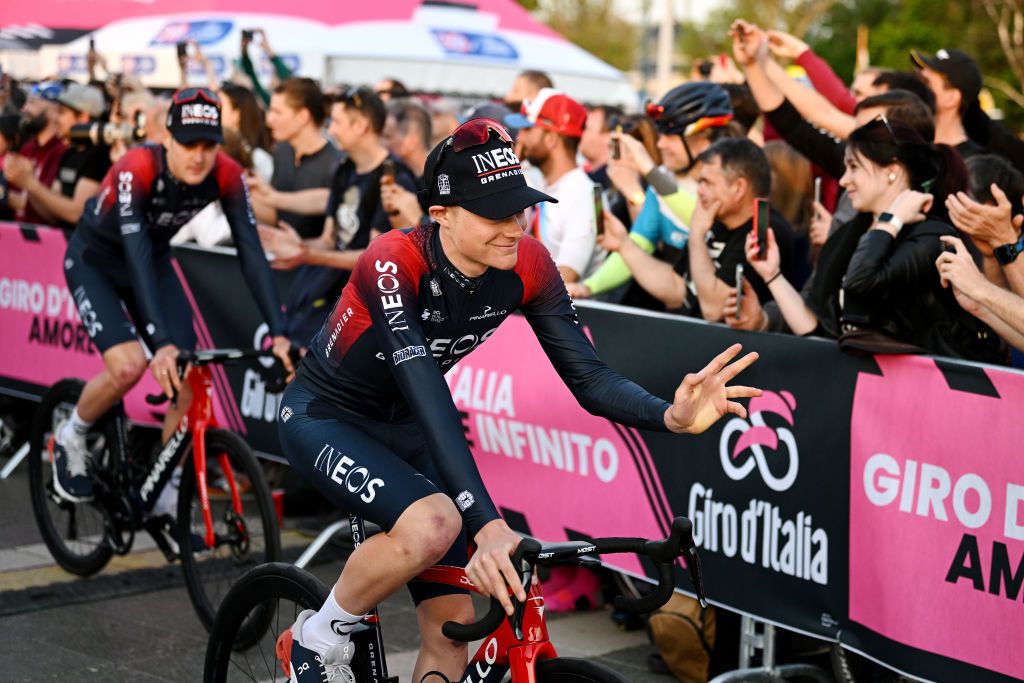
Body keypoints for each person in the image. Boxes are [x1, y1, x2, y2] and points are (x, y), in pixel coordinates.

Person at [273, 117, 762, 683]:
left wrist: (668, 414)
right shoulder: (394, 260)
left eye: (519, 209)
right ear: (441, 215)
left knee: (454, 635)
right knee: (436, 523)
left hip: (405, 426)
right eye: (494, 214)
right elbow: (431, 393)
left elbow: (590, 378)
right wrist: (484, 522)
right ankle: (316, 637)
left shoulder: (528, 261)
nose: (513, 227)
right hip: (326, 417)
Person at [53, 87, 293, 504]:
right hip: (99, 261)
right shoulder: (137, 167)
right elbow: (137, 252)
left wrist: (278, 332)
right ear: (167, 139)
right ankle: (71, 434)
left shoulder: (228, 173)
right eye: (187, 144)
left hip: (154, 261)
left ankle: (165, 495)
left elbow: (252, 254)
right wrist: (159, 341)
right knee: (129, 367)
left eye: (208, 145)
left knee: (188, 379)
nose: (198, 156)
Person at [259, 86, 418, 349]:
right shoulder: (344, 169)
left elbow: (373, 260)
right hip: (325, 297)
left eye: (338, 122)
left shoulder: (393, 179)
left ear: (361, 126)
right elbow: (330, 240)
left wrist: (308, 255)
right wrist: (297, 246)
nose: (331, 130)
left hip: (361, 312)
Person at [569, 82, 739, 303]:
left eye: (671, 136)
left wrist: (649, 172)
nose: (660, 144)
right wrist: (589, 286)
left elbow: (706, 219)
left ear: (703, 140)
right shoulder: (663, 179)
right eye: (660, 135)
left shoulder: (727, 185)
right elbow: (638, 243)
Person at [603, 137, 795, 321]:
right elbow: (678, 289)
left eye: (707, 183)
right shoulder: (715, 221)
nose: (700, 191)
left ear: (739, 188)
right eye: (699, 182)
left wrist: (696, 235)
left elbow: (714, 309)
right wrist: (624, 245)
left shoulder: (764, 232)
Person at [506, 88, 604, 282]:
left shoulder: (585, 194)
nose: (520, 138)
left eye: (528, 129)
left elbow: (567, 276)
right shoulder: (542, 181)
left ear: (551, 138)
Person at [2, 83, 109, 231]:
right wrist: (26, 182)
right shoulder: (70, 153)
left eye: (61, 112)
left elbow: (77, 214)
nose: (55, 118)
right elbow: (51, 213)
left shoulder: (100, 155)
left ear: (83, 117)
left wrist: (30, 183)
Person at [255, 77, 340, 239]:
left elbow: (332, 237)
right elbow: (278, 217)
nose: (269, 119)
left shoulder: (335, 163)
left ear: (303, 116)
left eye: (277, 112)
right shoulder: (282, 151)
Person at [6, 82, 67, 224]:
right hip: (19, 234)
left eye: (32, 103)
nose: (24, 108)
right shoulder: (28, 148)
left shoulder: (61, 151)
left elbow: (55, 211)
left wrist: (10, 197)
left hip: (49, 239)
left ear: (53, 111)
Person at [910, 48, 984, 159]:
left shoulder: (972, 163)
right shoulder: (912, 146)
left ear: (951, 98)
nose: (917, 86)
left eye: (926, 81)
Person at [380, 99, 433, 227]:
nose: (381, 143)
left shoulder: (444, 180)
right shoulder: (400, 175)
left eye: (388, 136)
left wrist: (418, 218)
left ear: (411, 141)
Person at [579, 104, 624, 190]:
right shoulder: (586, 178)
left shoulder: (613, 184)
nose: (580, 133)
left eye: (586, 128)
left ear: (610, 136)